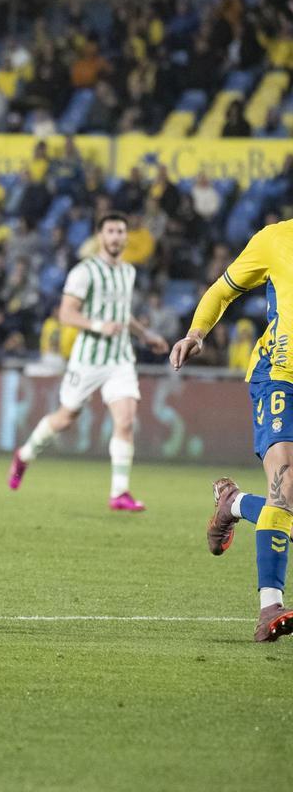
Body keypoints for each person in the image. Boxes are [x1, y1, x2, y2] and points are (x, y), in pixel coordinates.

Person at [170, 217, 293, 642]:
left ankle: (234, 503)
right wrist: (197, 332)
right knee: (287, 484)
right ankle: (269, 608)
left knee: (288, 506)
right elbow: (223, 289)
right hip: (281, 376)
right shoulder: (276, 238)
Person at [7, 212, 168, 510]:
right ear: (100, 237)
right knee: (66, 418)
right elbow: (66, 313)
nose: (117, 237)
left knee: (126, 420)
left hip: (120, 358)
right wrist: (98, 326)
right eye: (111, 231)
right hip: (88, 359)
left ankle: (119, 493)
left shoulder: (128, 272)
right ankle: (24, 455)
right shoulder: (84, 271)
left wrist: (145, 334)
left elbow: (122, 313)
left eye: (121, 231)